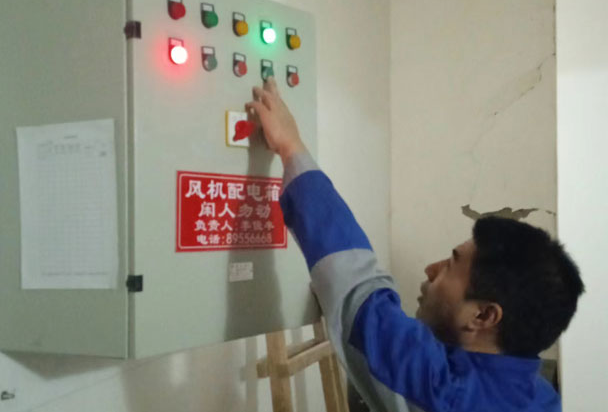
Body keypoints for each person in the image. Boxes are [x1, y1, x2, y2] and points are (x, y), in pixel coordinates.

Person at [245, 77, 585, 412]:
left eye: (451, 265)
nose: (431, 269)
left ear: (483, 315)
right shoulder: (541, 397)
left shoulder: (446, 392)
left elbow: (360, 295)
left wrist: (291, 147)